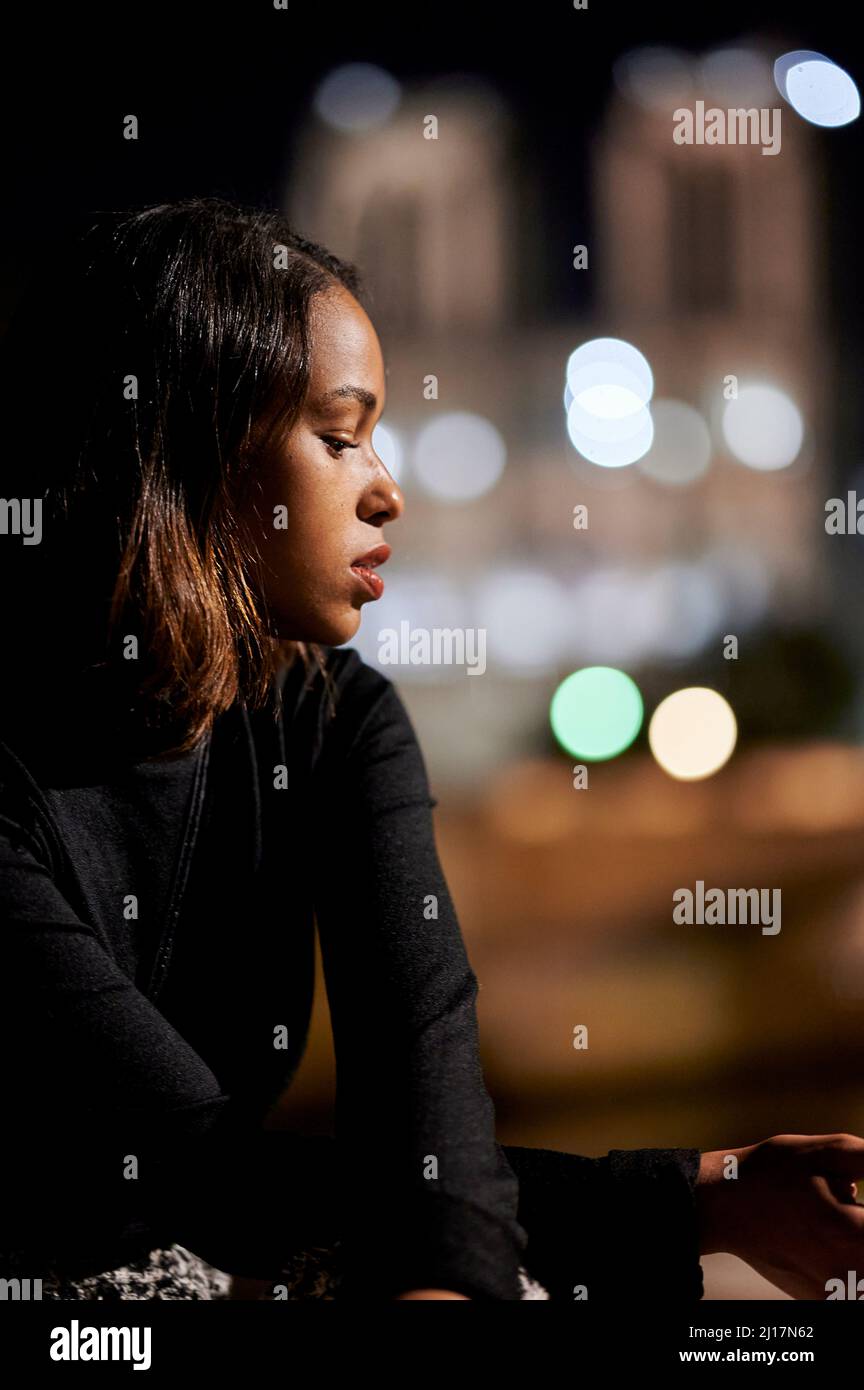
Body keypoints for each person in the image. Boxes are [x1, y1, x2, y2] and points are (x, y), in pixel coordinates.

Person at [0, 198, 861, 1303]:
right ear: (190, 444)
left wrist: (683, 1205)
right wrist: (683, 1200)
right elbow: (185, 1165)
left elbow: (429, 1097)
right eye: (339, 435)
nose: (386, 489)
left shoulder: (331, 716)